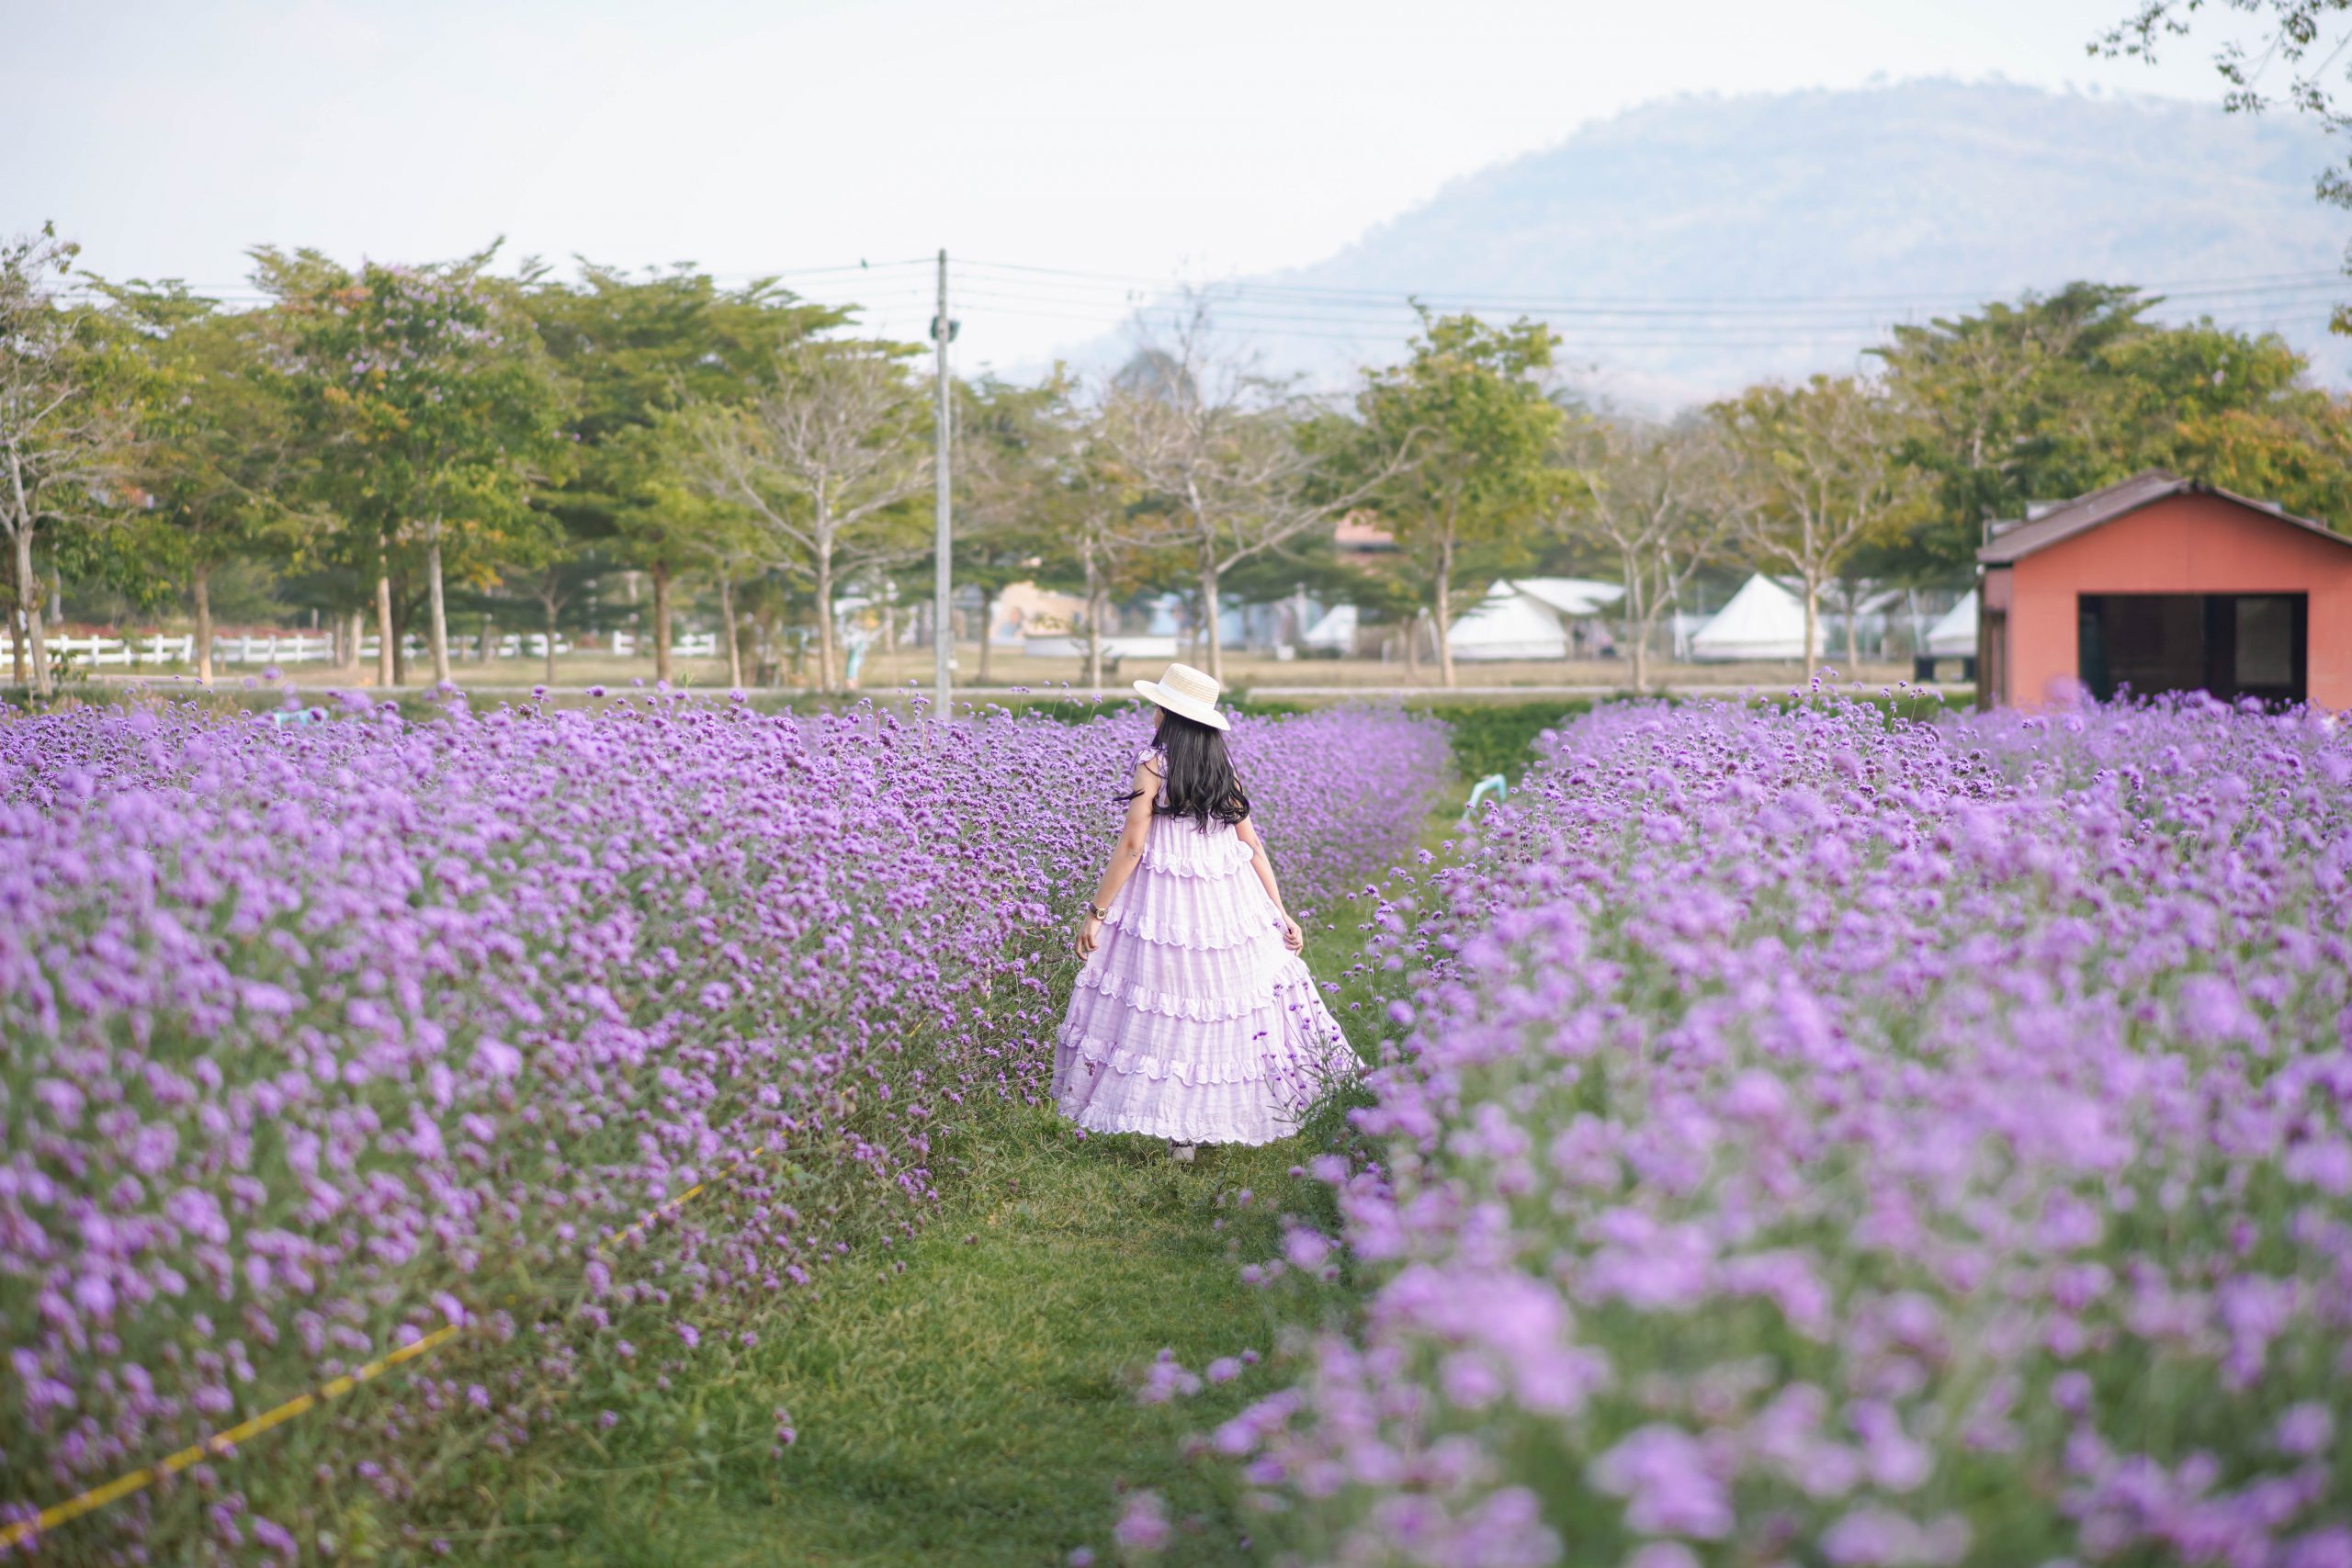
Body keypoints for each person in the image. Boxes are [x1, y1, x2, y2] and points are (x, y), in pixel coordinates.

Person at [1052, 663, 1356, 1159]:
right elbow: (1252, 845)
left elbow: (1132, 845)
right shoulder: (1223, 765)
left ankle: (1183, 1132)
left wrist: (1097, 910)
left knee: (1170, 1000)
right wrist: (1279, 912)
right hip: (1224, 897)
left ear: (1168, 714)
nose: (1151, 712)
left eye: (1156, 704)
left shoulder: (1153, 762)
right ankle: (1202, 1124)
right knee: (1220, 1003)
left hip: (1165, 900)